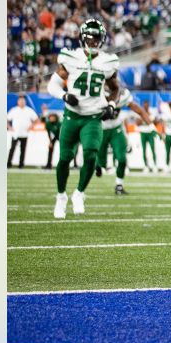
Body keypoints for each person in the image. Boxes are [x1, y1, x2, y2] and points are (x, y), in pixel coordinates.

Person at [46, 18, 121, 218]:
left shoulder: (107, 61)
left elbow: (115, 89)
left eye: (96, 38)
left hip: (93, 118)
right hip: (72, 116)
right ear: (82, 37)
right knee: (64, 158)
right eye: (89, 37)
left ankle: (79, 193)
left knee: (90, 154)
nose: (92, 41)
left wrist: (112, 105)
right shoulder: (71, 58)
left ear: (102, 39)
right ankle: (61, 196)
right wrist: (63, 95)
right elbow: (52, 85)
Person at [99, 87, 158, 194]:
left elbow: (139, 110)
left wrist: (152, 126)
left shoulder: (122, 95)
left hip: (116, 128)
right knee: (99, 163)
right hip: (100, 129)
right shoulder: (96, 93)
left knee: (122, 159)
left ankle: (119, 186)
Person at [7, 94, 39, 169]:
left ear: (25, 102)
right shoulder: (14, 110)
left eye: (23, 101)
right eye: (20, 101)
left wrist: (31, 126)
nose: (22, 102)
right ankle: (9, 163)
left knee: (23, 150)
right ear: (18, 102)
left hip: (25, 134)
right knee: (12, 149)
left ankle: (21, 164)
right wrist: (10, 127)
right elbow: (7, 119)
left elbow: (36, 119)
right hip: (15, 133)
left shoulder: (29, 110)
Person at [137, 101, 158, 170]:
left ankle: (155, 165)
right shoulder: (140, 113)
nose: (145, 106)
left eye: (147, 105)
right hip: (143, 133)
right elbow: (137, 123)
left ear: (148, 106)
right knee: (144, 150)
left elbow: (155, 122)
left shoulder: (151, 113)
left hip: (150, 133)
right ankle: (145, 165)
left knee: (153, 149)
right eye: (144, 105)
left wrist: (148, 117)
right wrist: (143, 117)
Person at [42, 105, 61, 169]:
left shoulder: (59, 123)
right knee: (50, 149)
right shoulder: (48, 124)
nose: (52, 119)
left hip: (60, 136)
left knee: (63, 150)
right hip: (53, 137)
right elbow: (49, 133)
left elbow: (59, 133)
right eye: (50, 117)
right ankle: (48, 165)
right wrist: (50, 141)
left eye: (53, 117)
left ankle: (62, 165)